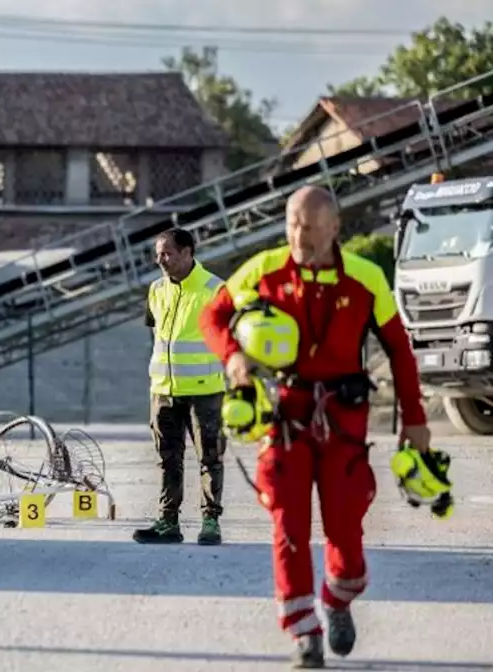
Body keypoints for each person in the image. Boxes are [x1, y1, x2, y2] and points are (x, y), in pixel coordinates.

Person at [199, 185, 430, 668]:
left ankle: (338, 598)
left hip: (344, 424)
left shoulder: (366, 279)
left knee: (347, 538)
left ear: (333, 228)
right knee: (288, 525)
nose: (297, 236)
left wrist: (415, 420)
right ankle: (304, 633)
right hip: (285, 418)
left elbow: (400, 351)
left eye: (308, 227)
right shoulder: (264, 270)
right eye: (291, 225)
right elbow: (213, 314)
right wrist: (233, 355)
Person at [133, 227, 228, 546]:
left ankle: (210, 521)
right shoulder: (156, 290)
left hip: (205, 391)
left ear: (188, 253)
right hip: (163, 390)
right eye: (158, 254)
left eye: (168, 253)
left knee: (210, 457)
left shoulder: (215, 290)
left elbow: (231, 337)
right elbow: (156, 333)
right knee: (167, 458)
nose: (161, 260)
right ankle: (167, 522)